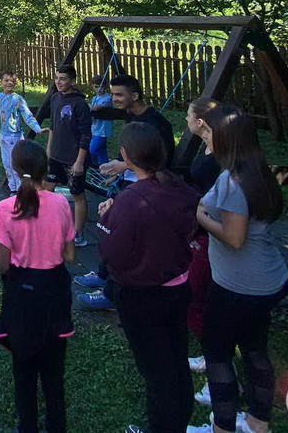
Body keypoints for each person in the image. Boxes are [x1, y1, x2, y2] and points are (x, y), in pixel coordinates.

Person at [189, 106, 288, 433]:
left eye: (211, 132)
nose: (207, 136)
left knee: (217, 354)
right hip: (269, 279)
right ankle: (258, 422)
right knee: (254, 348)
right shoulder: (259, 172)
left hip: (238, 286)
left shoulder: (231, 181)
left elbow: (234, 238)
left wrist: (200, 216)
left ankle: (222, 427)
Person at [97, 122, 199, 433]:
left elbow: (112, 253)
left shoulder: (130, 200)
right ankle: (178, 423)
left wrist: (107, 217)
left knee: (157, 373)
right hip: (178, 288)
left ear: (126, 155)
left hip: (142, 297)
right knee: (177, 361)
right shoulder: (181, 189)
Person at [0, 139, 75, 433]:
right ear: (45, 168)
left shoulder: (4, 208)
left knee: (23, 373)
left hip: (21, 296)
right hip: (53, 292)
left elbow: (4, 264)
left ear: (15, 169)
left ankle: (27, 426)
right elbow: (70, 255)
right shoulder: (61, 204)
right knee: (54, 376)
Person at [78, 73, 175, 309]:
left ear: (135, 95)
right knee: (109, 227)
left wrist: (124, 165)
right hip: (128, 181)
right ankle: (103, 274)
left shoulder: (157, 123)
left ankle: (111, 294)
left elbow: (161, 162)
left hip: (144, 188)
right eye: (112, 94)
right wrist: (119, 172)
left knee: (123, 236)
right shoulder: (132, 115)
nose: (114, 99)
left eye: (119, 95)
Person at [182, 98, 223, 393]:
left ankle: (220, 369)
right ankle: (212, 358)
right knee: (199, 299)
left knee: (194, 300)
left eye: (188, 115)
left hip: (209, 234)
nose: (185, 119)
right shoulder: (206, 149)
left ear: (200, 122)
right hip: (199, 231)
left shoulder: (220, 159)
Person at [34, 64, 93, 245]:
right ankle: (45, 224)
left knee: (77, 194)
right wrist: (49, 148)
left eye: (63, 79)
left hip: (74, 158)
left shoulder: (80, 104)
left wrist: (79, 161)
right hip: (56, 155)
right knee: (46, 188)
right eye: (56, 78)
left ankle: (78, 234)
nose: (58, 82)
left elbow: (86, 135)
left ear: (72, 82)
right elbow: (53, 126)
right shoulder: (55, 98)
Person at [0, 71, 43, 194]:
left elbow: (27, 115)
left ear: (15, 84)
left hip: (15, 137)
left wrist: (37, 129)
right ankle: (13, 189)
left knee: (16, 164)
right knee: (6, 163)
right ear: (1, 82)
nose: (9, 83)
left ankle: (21, 190)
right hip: (3, 136)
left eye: (12, 81)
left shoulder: (18, 99)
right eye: (6, 80)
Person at [89, 76, 113, 167]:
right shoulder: (94, 98)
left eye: (101, 86)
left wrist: (85, 105)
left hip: (103, 130)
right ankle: (104, 169)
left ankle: (95, 166)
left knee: (92, 149)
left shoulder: (107, 98)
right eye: (96, 87)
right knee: (101, 151)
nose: (99, 89)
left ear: (105, 86)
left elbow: (96, 108)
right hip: (95, 127)